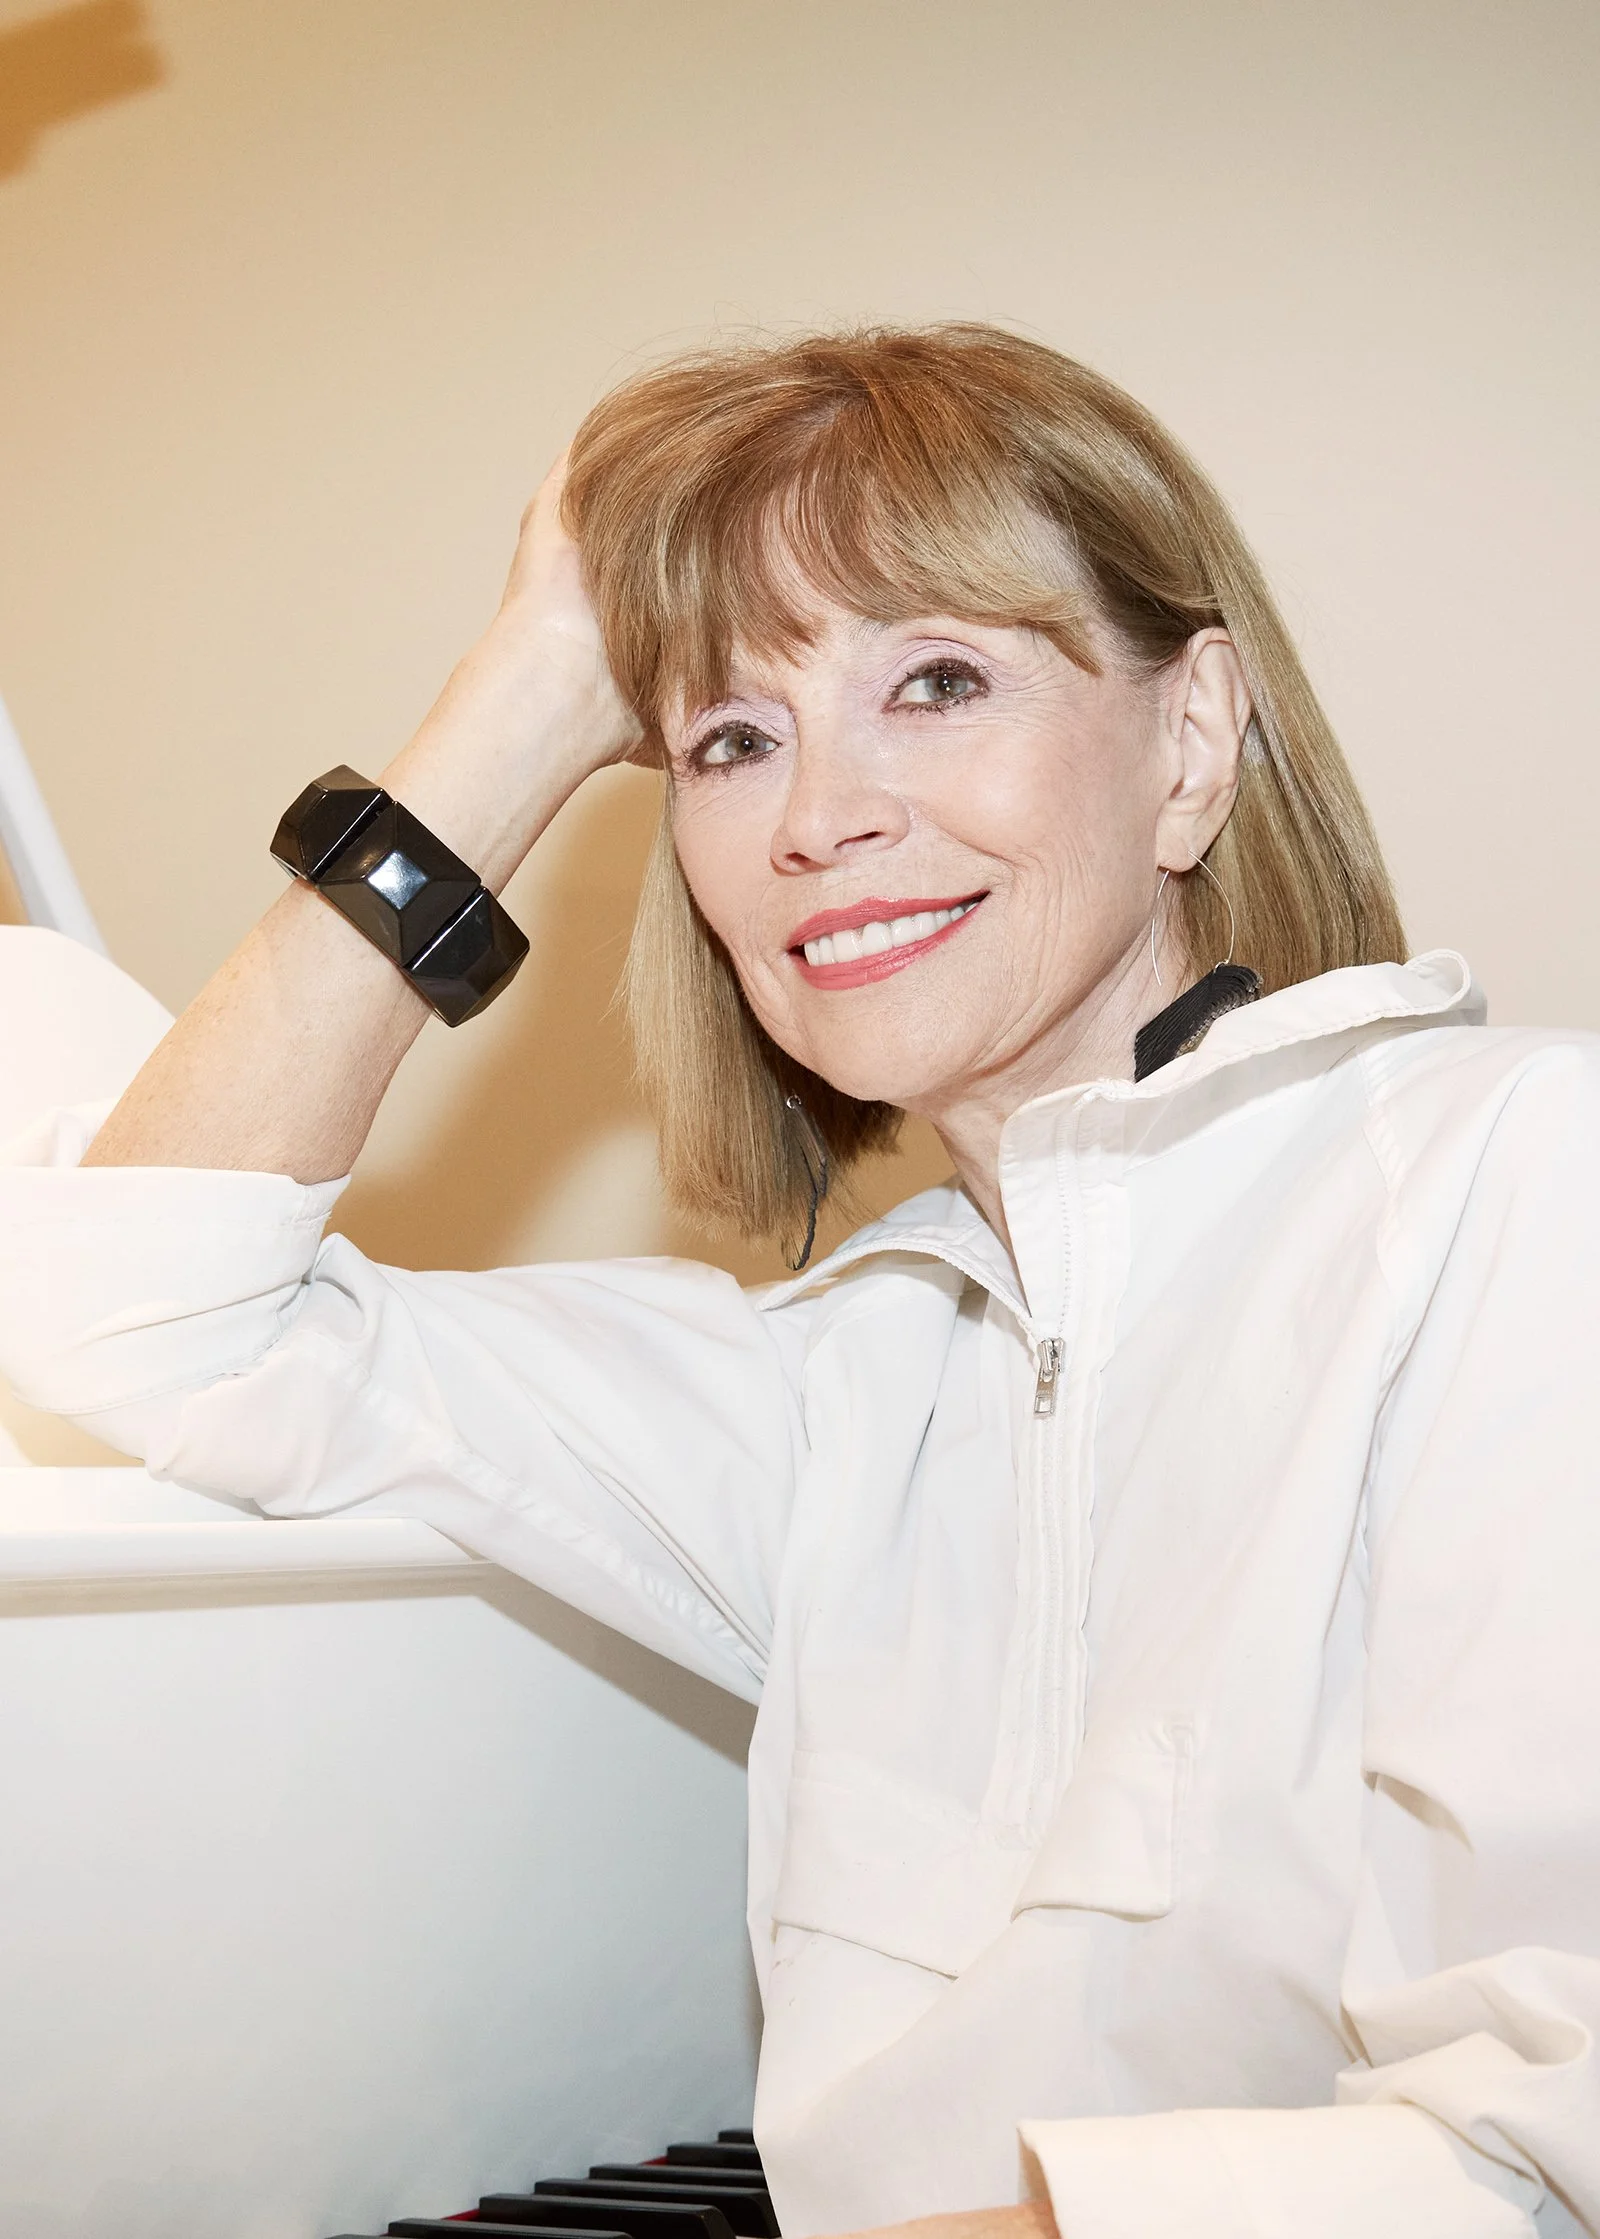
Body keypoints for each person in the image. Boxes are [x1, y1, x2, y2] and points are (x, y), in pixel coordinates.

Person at [1, 324, 1597, 2239]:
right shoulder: (834, 1382)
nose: (815, 818)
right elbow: (139, 1316)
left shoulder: (1515, 1178)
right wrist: (526, 691)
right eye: (729, 741)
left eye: (938, 680)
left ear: (1188, 744)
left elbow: (1533, 2154)